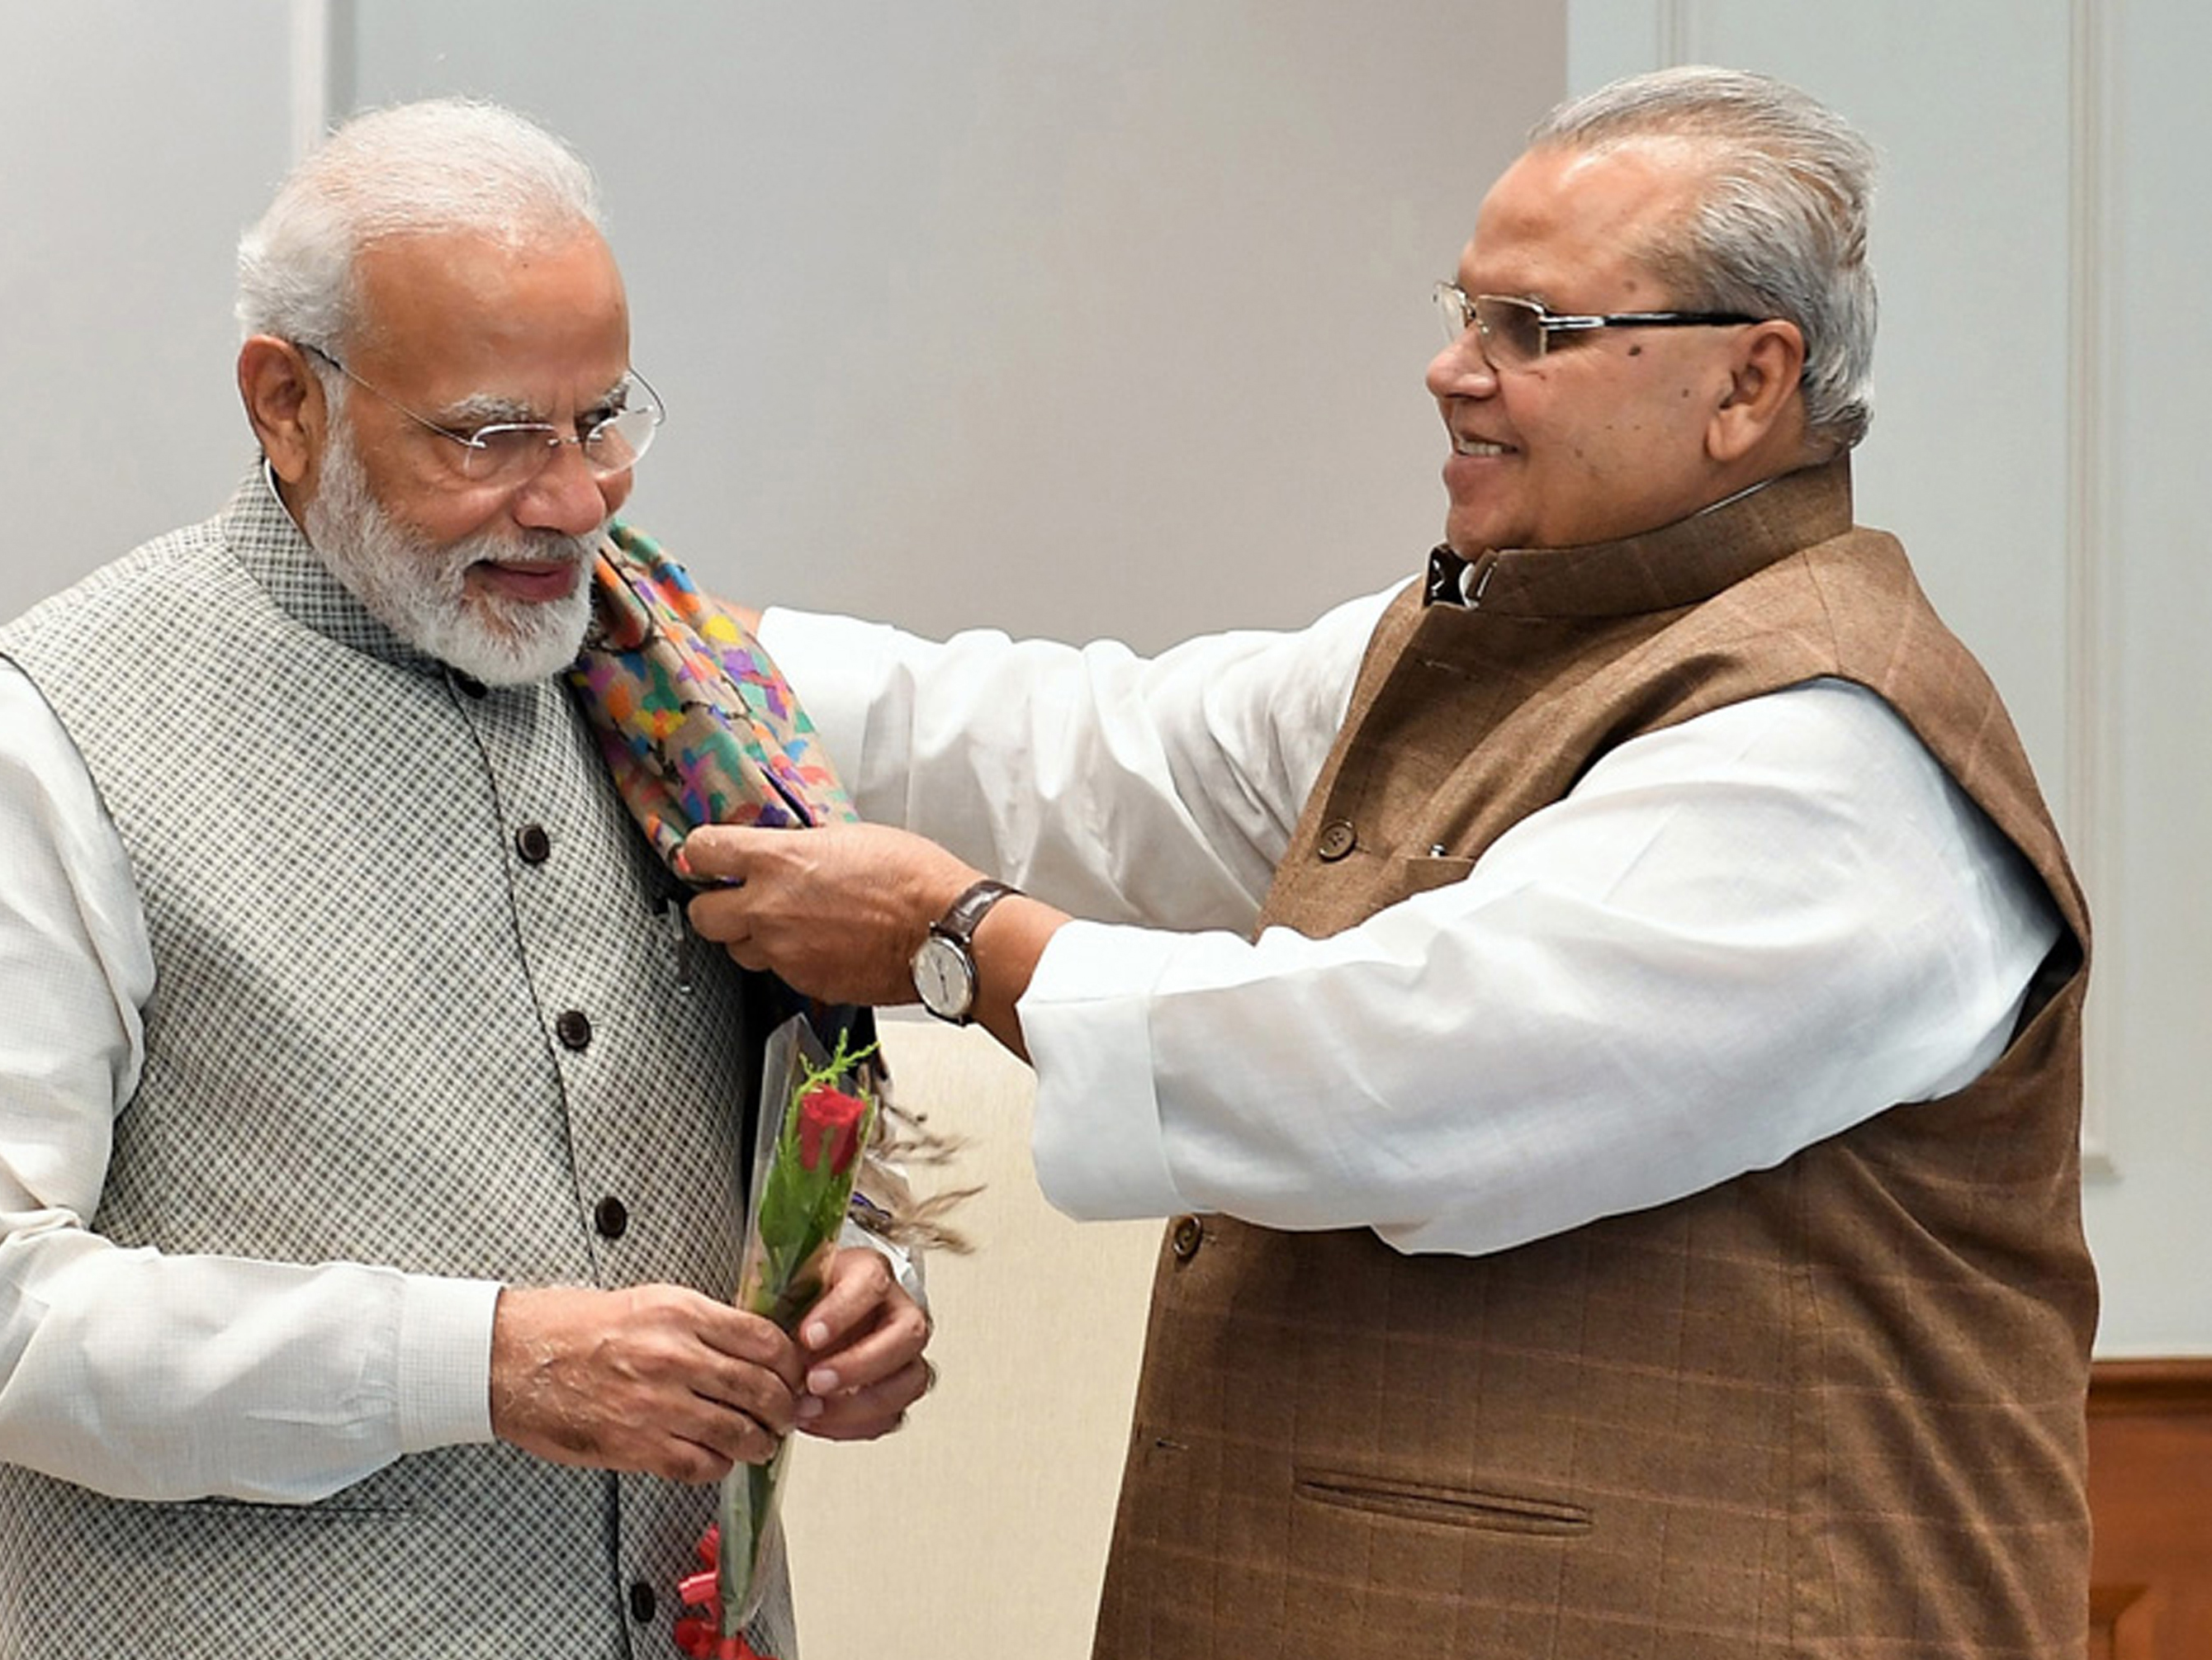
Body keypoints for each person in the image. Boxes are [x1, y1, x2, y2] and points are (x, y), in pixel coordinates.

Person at [682, 66, 2095, 1659]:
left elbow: (1402, 1082)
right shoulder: (1489, 637)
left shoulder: (1836, 748)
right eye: (1464, 311)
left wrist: (957, 942)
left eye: (1531, 332)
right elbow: (1103, 752)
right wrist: (664, 642)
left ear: (1748, 382)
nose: (1451, 371)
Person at [0, 97, 930, 1660]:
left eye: (603, 419)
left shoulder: (675, 685)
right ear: (285, 401)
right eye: (492, 435)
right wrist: (481, 1363)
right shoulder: (49, 731)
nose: (574, 500)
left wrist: (855, 1273)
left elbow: (771, 1115)